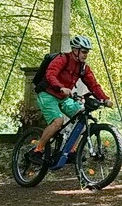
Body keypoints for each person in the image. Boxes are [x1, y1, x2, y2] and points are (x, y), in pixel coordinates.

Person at [32, 35, 113, 163]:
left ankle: (71, 151)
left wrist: (105, 99)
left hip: (64, 98)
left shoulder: (83, 67)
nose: (86, 55)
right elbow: (50, 74)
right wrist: (60, 87)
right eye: (84, 51)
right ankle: (38, 149)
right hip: (47, 94)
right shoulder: (62, 59)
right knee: (58, 121)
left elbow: (93, 85)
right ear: (75, 50)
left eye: (87, 52)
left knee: (82, 119)